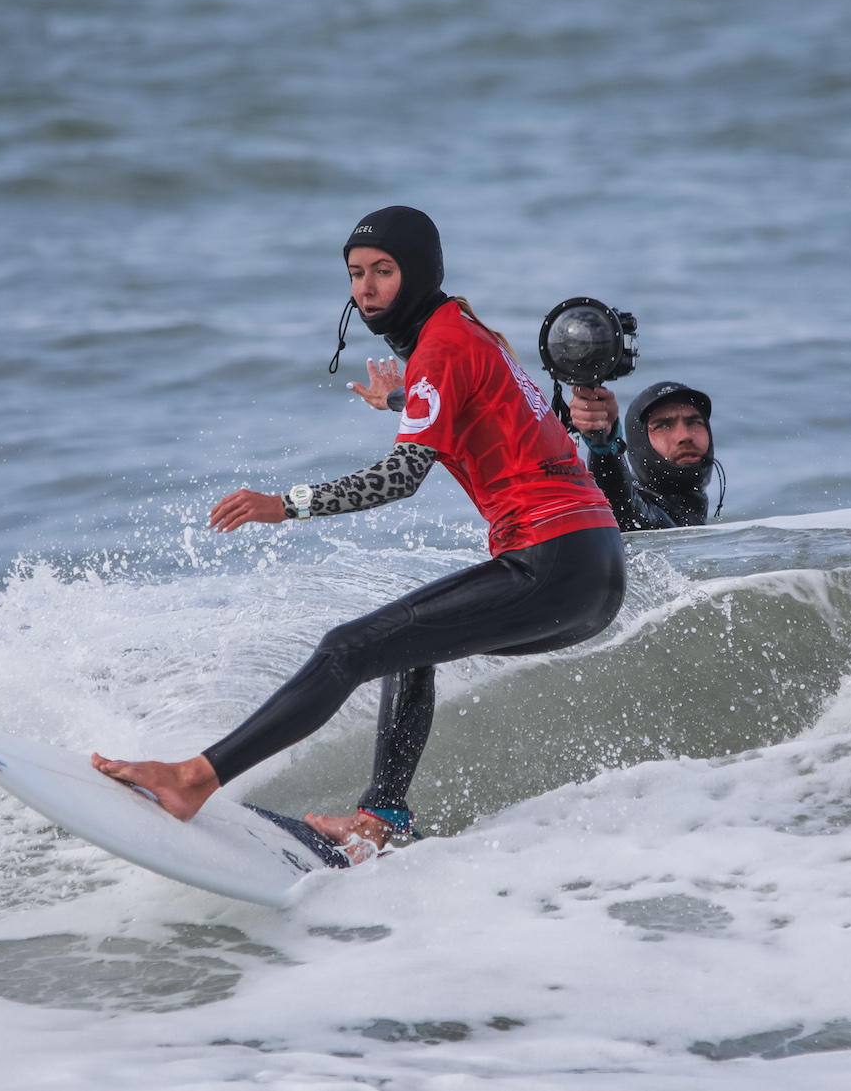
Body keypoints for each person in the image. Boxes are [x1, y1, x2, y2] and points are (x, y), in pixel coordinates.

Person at [91, 206, 627, 859]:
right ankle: (381, 819)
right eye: (355, 274)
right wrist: (402, 402)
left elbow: (401, 476)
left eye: (383, 271)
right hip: (592, 568)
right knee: (410, 644)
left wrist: (285, 504)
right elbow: (491, 411)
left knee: (345, 649)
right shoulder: (470, 332)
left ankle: (191, 778)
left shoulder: (441, 348)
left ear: (419, 271)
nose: (366, 289)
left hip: (551, 557)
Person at [567, 380, 719, 529]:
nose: (684, 436)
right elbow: (619, 502)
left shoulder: (691, 510)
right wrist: (605, 442)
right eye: (663, 425)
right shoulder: (642, 514)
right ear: (640, 442)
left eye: (694, 422)